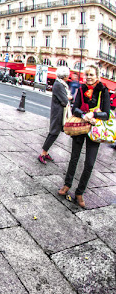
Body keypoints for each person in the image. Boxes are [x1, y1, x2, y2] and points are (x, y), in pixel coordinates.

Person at [58, 65, 110, 207]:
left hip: (95, 130)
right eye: (86, 74)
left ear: (97, 76)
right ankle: (67, 185)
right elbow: (75, 108)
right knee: (74, 158)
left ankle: (80, 192)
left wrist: (94, 115)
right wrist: (83, 115)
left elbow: (107, 114)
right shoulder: (81, 89)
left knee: (89, 163)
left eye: (91, 74)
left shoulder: (103, 90)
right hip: (80, 127)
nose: (88, 77)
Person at [38, 66, 72, 164]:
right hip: (58, 113)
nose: (68, 77)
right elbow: (64, 101)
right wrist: (69, 97)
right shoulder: (58, 85)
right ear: (64, 76)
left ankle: (46, 152)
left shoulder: (60, 84)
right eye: (67, 75)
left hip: (59, 112)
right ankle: (42, 154)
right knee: (53, 133)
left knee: (54, 133)